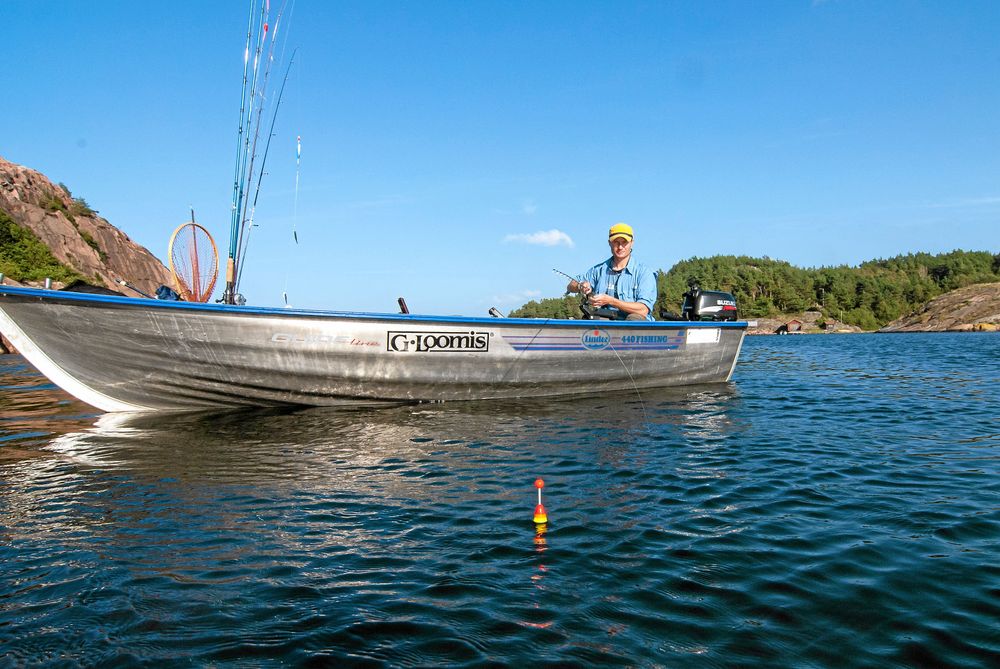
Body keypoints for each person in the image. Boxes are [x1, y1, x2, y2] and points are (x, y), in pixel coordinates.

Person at [566, 223, 656, 321]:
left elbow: (643, 310)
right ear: (609, 243)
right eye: (616, 242)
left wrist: (611, 301)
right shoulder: (598, 270)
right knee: (591, 318)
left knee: (634, 318)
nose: (620, 247)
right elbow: (571, 286)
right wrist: (580, 286)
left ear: (632, 243)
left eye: (624, 242)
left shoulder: (644, 272)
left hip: (636, 331)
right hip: (605, 325)